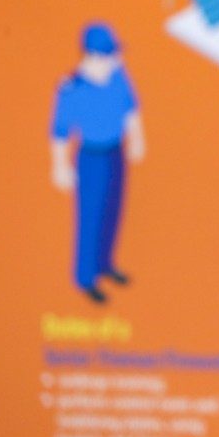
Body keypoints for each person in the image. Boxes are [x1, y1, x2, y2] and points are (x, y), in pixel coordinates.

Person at [50, 22, 145, 304]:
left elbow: (130, 108)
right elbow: (60, 131)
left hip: (116, 153)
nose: (115, 59)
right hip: (90, 157)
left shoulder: (118, 76)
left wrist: (138, 138)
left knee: (113, 211)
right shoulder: (72, 88)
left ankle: (105, 263)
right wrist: (59, 165)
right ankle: (85, 278)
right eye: (108, 55)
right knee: (90, 218)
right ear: (91, 56)